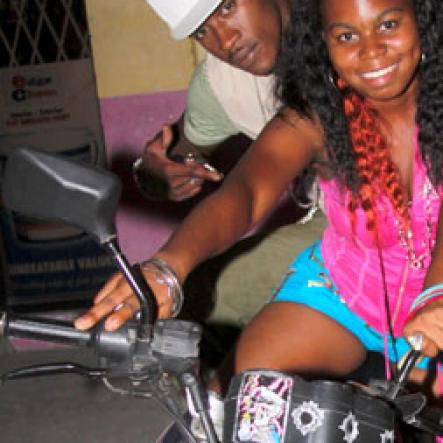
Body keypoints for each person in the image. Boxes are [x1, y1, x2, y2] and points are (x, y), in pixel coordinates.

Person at [77, 0, 443, 403]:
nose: (371, 50)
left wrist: (435, 294)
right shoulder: (318, 115)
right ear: (323, 43)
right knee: (250, 397)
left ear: (422, 20)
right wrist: (168, 267)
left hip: (436, 303)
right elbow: (246, 191)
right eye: (346, 36)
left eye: (388, 24)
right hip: (346, 291)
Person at [133, 0, 326, 333]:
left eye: (226, 7)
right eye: (201, 31)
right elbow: (179, 155)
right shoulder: (223, 83)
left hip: (425, 212)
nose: (224, 40)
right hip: (340, 228)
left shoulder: (357, 24)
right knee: (188, 301)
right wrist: (155, 174)